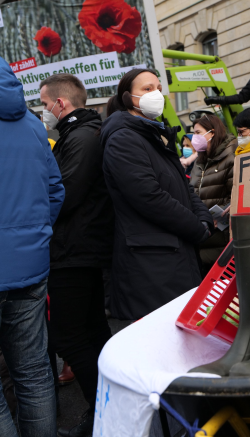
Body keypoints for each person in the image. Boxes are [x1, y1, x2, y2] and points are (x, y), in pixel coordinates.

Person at [100, 68, 213, 321]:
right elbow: (149, 197)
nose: (156, 94)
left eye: (159, 89)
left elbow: (183, 187)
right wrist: (197, 228)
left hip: (172, 255)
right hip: (151, 263)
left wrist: (204, 218)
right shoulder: (123, 139)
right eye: (147, 89)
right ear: (128, 98)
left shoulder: (154, 136)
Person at [39, 73, 113, 436]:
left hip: (74, 250)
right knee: (92, 331)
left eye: (44, 104)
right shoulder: (79, 133)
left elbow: (64, 194)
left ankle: (101, 411)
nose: (43, 111)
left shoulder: (81, 137)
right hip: (81, 248)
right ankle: (105, 410)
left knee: (68, 336)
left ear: (60, 103)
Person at [0, 56, 63, 436]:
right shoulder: (32, 125)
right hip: (31, 265)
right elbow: (55, 190)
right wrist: (34, 233)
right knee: (34, 372)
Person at [189, 113, 238, 271]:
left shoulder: (231, 157)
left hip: (221, 238)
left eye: (198, 132)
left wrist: (219, 215)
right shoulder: (199, 161)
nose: (194, 138)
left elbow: (236, 195)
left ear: (212, 133)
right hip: (202, 235)